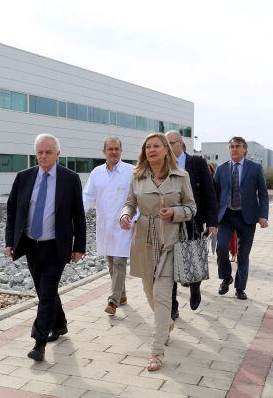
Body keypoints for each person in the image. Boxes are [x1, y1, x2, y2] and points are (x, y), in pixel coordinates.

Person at [5, 133, 86, 361]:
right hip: (31, 245)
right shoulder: (24, 177)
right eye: (40, 152)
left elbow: (78, 215)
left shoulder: (70, 179)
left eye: (48, 152)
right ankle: (59, 325)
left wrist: (79, 245)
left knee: (46, 294)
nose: (43, 156)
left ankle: (38, 343)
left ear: (58, 154)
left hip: (56, 247)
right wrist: (10, 241)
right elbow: (12, 212)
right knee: (44, 292)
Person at [119, 133, 196, 371]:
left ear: (166, 149)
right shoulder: (137, 176)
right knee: (150, 293)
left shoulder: (181, 176)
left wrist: (175, 212)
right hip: (143, 241)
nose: (151, 149)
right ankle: (166, 324)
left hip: (171, 241)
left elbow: (192, 207)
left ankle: (156, 352)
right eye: (147, 146)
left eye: (156, 146)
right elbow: (130, 203)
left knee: (163, 296)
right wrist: (125, 214)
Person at [165, 131, 218, 318]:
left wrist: (212, 222)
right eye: (165, 143)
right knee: (168, 263)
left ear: (180, 143)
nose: (168, 147)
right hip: (169, 221)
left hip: (192, 220)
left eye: (170, 143)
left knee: (192, 256)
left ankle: (195, 287)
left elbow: (209, 193)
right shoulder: (161, 165)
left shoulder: (197, 163)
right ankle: (172, 305)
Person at [82, 136, 134, 316]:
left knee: (120, 262)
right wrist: (79, 213)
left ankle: (112, 301)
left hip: (124, 225)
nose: (113, 152)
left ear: (121, 150)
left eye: (117, 149)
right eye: (110, 149)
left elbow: (138, 198)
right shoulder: (97, 173)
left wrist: (134, 219)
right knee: (111, 264)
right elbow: (88, 195)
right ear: (104, 151)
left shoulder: (131, 171)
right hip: (105, 225)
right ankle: (123, 295)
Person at [213, 137, 269, 301]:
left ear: (245, 150)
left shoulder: (255, 168)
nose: (234, 149)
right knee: (221, 247)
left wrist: (263, 215)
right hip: (226, 216)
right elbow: (214, 195)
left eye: (237, 146)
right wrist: (211, 218)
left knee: (243, 254)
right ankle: (226, 277)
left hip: (248, 217)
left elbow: (263, 193)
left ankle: (240, 288)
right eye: (231, 146)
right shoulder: (221, 169)